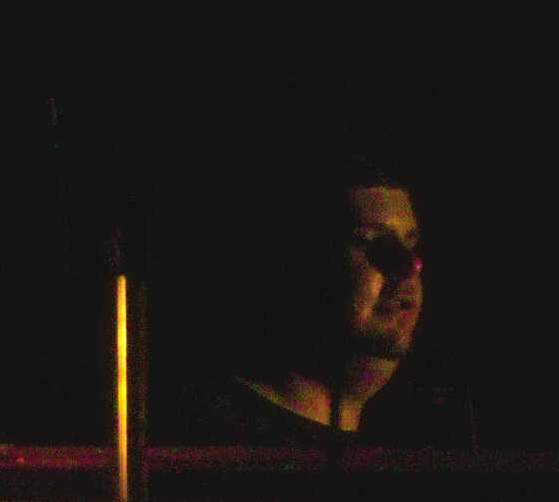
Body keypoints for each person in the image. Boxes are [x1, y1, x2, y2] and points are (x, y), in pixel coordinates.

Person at [166, 158, 450, 444]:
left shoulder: (416, 443)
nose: (410, 264)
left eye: (410, 243)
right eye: (369, 241)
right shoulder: (208, 440)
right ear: (295, 261)